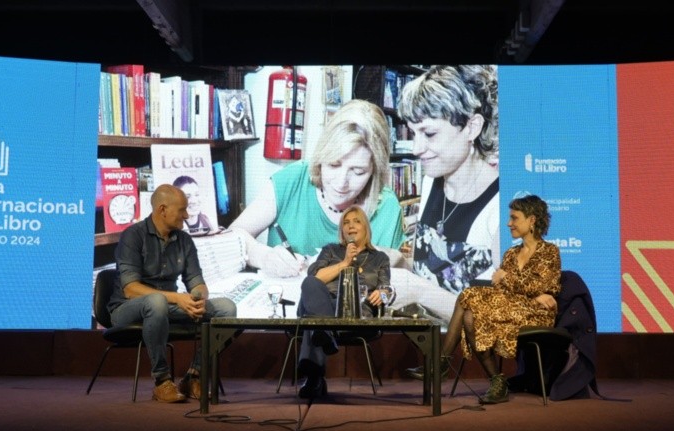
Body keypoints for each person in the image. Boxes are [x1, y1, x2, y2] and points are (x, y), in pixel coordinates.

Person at [405, 195, 561, 405]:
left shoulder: (549, 252)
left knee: (468, 297)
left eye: (514, 218)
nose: (509, 223)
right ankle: (497, 382)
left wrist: (510, 279)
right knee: (469, 316)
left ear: (532, 220)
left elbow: (540, 286)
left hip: (535, 313)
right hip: (508, 306)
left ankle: (441, 363)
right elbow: (502, 288)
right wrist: (525, 288)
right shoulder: (511, 254)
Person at [229, 99, 404, 278]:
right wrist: (264, 257)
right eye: (334, 164)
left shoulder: (387, 207)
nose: (341, 182)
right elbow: (233, 236)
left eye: (358, 171)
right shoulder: (292, 179)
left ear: (375, 171)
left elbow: (391, 282)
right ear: (321, 155)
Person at [107, 184, 237, 403]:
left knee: (227, 308)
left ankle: (193, 376)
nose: (187, 215)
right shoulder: (133, 236)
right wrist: (178, 298)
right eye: (182, 210)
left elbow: (197, 282)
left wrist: (197, 299)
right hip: (127, 309)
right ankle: (162, 381)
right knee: (156, 301)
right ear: (162, 209)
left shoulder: (184, 240)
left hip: (166, 307)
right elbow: (130, 289)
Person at [397, 65, 500, 294]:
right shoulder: (429, 182)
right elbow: (427, 270)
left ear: (472, 128)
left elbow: (499, 318)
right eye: (414, 133)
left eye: (430, 134)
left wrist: (419, 292)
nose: (416, 148)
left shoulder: (502, 207)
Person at [295, 206, 391, 399]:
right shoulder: (330, 250)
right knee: (310, 285)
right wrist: (344, 263)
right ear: (341, 230)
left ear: (366, 228)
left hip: (357, 313)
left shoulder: (380, 258)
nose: (351, 226)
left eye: (356, 221)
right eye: (346, 223)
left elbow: (386, 289)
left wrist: (382, 293)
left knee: (313, 321)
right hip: (324, 304)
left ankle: (314, 378)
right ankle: (324, 332)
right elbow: (316, 277)